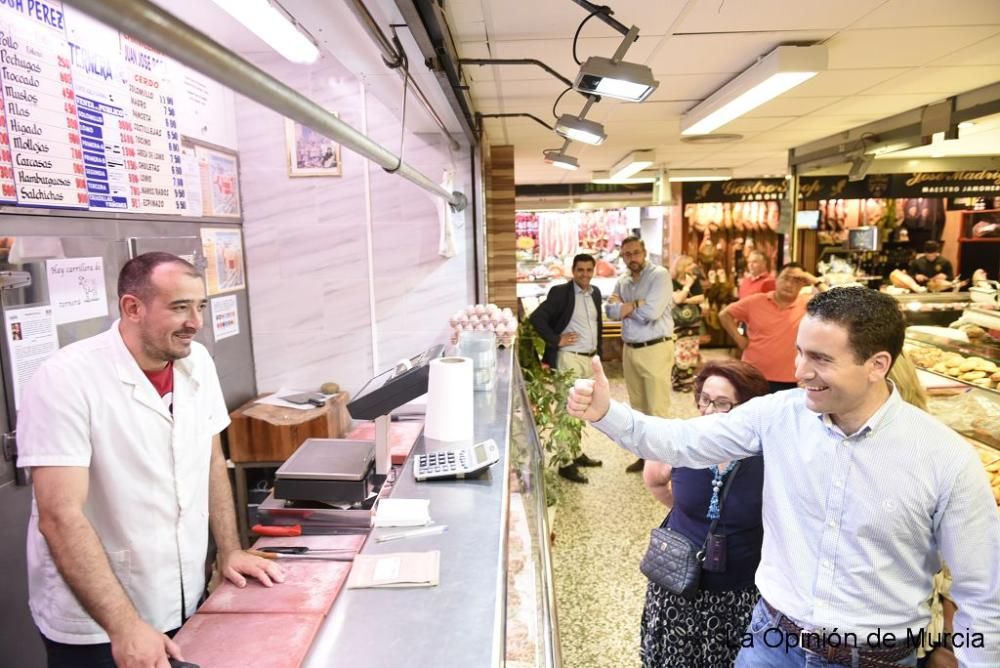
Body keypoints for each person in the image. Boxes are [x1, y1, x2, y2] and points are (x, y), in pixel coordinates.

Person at [568, 286, 1000, 667]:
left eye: (821, 359)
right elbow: (683, 442)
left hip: (873, 657)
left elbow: (983, 591)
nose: (799, 371)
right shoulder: (779, 415)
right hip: (771, 642)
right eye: (800, 351)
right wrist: (608, 413)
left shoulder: (945, 458)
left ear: (877, 364)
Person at [17, 252, 285, 668]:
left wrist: (230, 550)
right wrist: (124, 626)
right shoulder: (66, 379)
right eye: (179, 307)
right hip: (99, 625)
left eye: (200, 306)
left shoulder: (196, 361)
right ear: (132, 308)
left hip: (182, 596)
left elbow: (212, 460)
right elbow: (59, 516)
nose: (195, 322)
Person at [640, 360, 769, 667]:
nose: (710, 410)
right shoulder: (682, 440)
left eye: (723, 403)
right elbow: (655, 479)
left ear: (748, 408)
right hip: (678, 585)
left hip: (741, 592)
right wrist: (691, 516)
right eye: (705, 400)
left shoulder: (768, 453)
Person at [529, 253, 604, 483]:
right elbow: (537, 318)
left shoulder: (596, 293)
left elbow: (597, 324)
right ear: (573, 270)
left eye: (588, 270)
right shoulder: (560, 292)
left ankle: (575, 452)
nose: (584, 274)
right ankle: (564, 462)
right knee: (566, 409)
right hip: (568, 359)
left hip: (588, 359)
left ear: (593, 271)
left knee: (580, 409)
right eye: (580, 269)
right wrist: (555, 339)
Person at [606, 236, 674, 473]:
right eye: (627, 254)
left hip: (655, 347)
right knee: (638, 408)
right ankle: (645, 459)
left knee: (657, 409)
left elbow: (653, 312)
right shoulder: (623, 281)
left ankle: (663, 464)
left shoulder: (659, 275)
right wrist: (636, 305)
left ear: (644, 252)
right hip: (630, 350)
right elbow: (610, 312)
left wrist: (627, 306)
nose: (632, 258)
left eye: (636, 253)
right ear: (622, 256)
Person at [719, 263, 815, 393]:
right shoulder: (755, 301)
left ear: (803, 284)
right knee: (752, 412)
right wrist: (739, 339)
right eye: (785, 278)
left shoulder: (808, 305)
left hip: (791, 378)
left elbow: (841, 302)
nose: (789, 284)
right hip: (753, 374)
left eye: (796, 281)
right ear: (776, 279)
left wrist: (814, 280)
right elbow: (725, 314)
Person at [670, 255, 704, 392]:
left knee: (692, 352)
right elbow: (677, 299)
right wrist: (687, 287)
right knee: (679, 352)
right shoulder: (672, 282)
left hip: (693, 323)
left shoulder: (695, 281)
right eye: (690, 264)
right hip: (678, 324)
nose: (693, 266)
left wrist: (686, 300)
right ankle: (678, 381)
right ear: (682, 266)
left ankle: (688, 381)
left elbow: (701, 298)